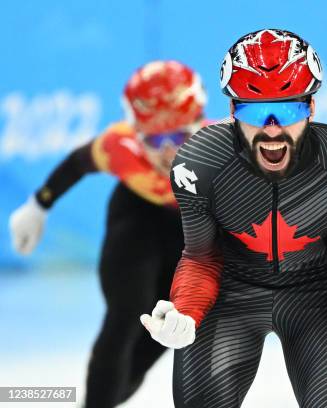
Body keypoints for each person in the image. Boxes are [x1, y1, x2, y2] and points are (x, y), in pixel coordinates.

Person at [140, 29, 327, 408]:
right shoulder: (199, 165)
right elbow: (202, 256)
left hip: (318, 295)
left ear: (311, 108)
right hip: (233, 294)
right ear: (232, 111)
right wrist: (186, 308)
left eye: (288, 109)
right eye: (253, 110)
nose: (271, 128)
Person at [9, 60, 210, 408]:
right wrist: (38, 206)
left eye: (179, 136)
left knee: (161, 331)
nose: (166, 150)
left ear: (198, 125)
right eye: (154, 138)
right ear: (136, 133)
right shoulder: (120, 145)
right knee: (126, 314)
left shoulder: (223, 150)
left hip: (186, 233)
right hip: (136, 220)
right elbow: (76, 164)